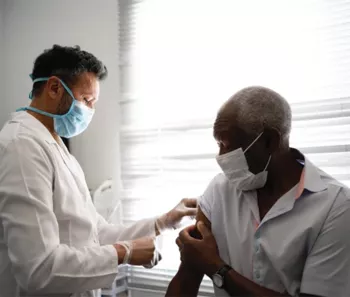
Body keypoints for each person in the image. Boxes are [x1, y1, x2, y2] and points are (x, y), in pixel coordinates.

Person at [0, 45, 197, 297]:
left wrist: (163, 222)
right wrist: (122, 252)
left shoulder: (55, 144)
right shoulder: (21, 145)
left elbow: (95, 232)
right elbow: (38, 269)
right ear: (53, 87)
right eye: (86, 100)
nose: (89, 111)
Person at [166, 86, 350, 297]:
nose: (221, 156)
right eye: (218, 144)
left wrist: (217, 268)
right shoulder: (220, 190)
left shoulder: (336, 207)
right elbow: (188, 276)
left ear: (270, 141)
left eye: (228, 146)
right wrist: (198, 259)